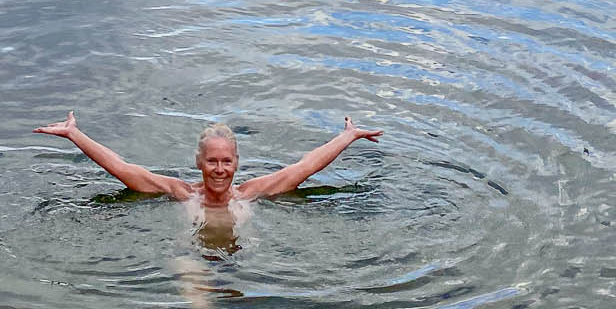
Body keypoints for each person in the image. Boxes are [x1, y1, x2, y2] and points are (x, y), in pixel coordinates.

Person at [31, 111, 381, 209]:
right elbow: (122, 168)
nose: (219, 169)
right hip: (193, 261)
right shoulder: (182, 193)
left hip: (242, 260)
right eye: (212, 161)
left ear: (236, 163)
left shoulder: (250, 194)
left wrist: (347, 136)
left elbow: (305, 167)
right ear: (199, 162)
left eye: (226, 161)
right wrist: (75, 134)